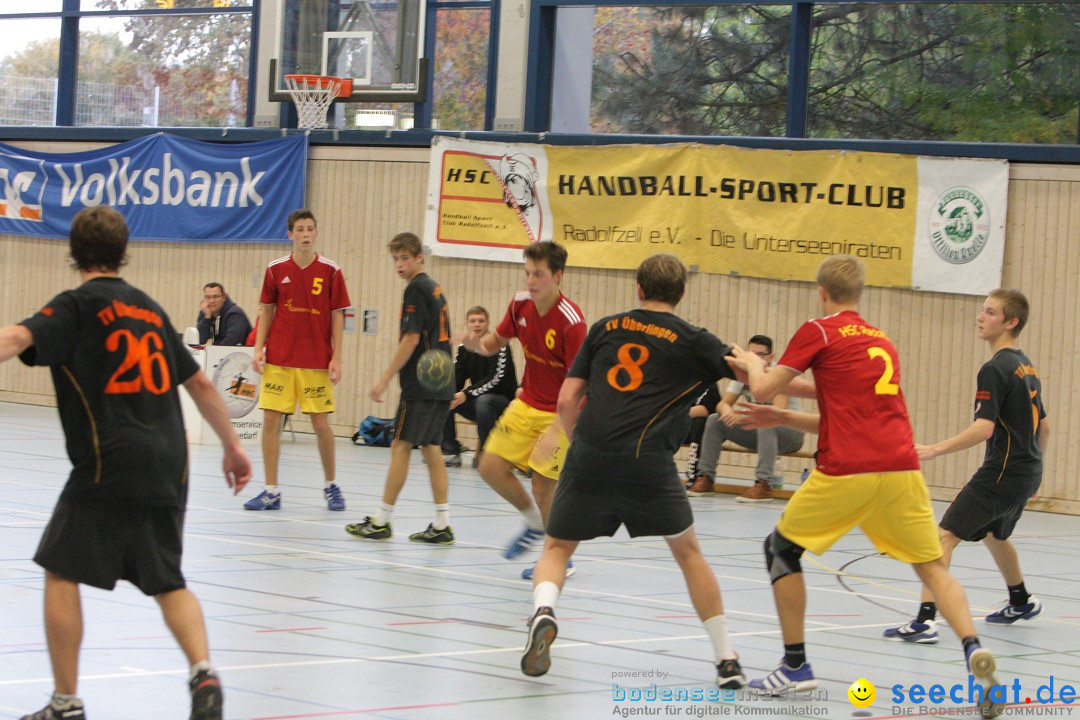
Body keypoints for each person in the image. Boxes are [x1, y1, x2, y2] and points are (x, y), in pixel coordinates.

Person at [0, 206, 252, 720]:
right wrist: (232, 446)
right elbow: (201, 384)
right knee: (168, 581)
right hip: (168, 462)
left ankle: (66, 704)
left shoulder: (75, 305)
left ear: (74, 253)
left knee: (59, 570)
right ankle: (203, 673)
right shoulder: (149, 309)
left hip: (107, 458)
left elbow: (16, 338)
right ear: (123, 251)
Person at [726, 254, 998, 711]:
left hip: (849, 469)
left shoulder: (819, 329)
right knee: (931, 565)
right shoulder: (881, 340)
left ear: (822, 292)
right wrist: (784, 413)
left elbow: (766, 387)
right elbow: (844, 400)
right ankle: (974, 649)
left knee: (780, 549)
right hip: (902, 467)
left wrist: (753, 364)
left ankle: (795, 667)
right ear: (859, 293)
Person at [521, 253, 745, 689]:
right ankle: (726, 659)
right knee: (689, 555)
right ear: (680, 294)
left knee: (557, 549)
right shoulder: (693, 338)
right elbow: (744, 373)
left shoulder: (605, 327)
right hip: (648, 463)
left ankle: (544, 611)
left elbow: (567, 400)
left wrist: (574, 446)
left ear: (637, 288)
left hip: (590, 455)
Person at [884, 289, 1048, 644]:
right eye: (983, 310)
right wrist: (1036, 470)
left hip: (1002, 473)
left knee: (943, 536)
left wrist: (934, 449)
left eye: (990, 312)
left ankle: (925, 620)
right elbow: (1044, 426)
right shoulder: (1026, 365)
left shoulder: (995, 368)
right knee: (995, 533)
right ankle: (1020, 600)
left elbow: (983, 428)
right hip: (1025, 471)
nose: (981, 316)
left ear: (1011, 322)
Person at [460, 241, 586, 579]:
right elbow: (496, 342)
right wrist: (476, 345)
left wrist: (558, 430)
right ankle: (534, 523)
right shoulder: (519, 304)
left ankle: (559, 557)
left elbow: (580, 386)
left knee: (543, 485)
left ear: (558, 276)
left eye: (539, 274)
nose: (531, 281)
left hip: (561, 409)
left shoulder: (572, 322)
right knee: (490, 467)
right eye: (528, 273)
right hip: (526, 402)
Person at [345, 232, 456, 544]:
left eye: (405, 257)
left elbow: (411, 339)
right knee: (431, 448)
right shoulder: (434, 287)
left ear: (420, 256)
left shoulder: (416, 290)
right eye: (395, 258)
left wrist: (384, 377)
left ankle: (382, 520)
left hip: (421, 385)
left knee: (401, 446)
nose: (399, 264)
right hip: (442, 381)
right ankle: (442, 522)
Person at [243, 209, 350, 512]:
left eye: (310, 229)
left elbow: (338, 314)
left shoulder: (331, 270)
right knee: (271, 421)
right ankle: (270, 490)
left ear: (316, 234)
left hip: (316, 361)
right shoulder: (276, 269)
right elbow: (267, 309)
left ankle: (331, 487)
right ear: (290, 234)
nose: (305, 234)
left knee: (320, 424)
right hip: (280, 359)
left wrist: (337, 357)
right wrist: (259, 348)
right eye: (300, 229)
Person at [688, 335, 804, 502]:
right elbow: (723, 403)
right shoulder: (742, 373)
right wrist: (728, 411)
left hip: (790, 433)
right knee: (715, 420)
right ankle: (706, 477)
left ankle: (764, 484)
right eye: (752, 353)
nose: (755, 358)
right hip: (761, 430)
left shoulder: (779, 373)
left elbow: (777, 411)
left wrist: (745, 416)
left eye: (761, 355)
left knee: (767, 422)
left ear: (771, 357)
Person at [440, 305, 517, 468]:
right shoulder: (464, 348)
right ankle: (450, 451)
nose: (477, 324)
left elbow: (495, 379)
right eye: (473, 321)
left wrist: (466, 394)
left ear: (488, 323)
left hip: (502, 403)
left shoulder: (500, 346)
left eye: (481, 321)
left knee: (484, 401)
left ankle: (488, 453)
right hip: (478, 399)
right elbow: (457, 376)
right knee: (445, 399)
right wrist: (446, 391)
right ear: (467, 324)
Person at [682, 382, 722, 485]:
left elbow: (706, 410)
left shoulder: (709, 383)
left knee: (699, 422)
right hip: (678, 427)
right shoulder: (677, 382)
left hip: (704, 431)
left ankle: (693, 473)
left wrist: (676, 414)